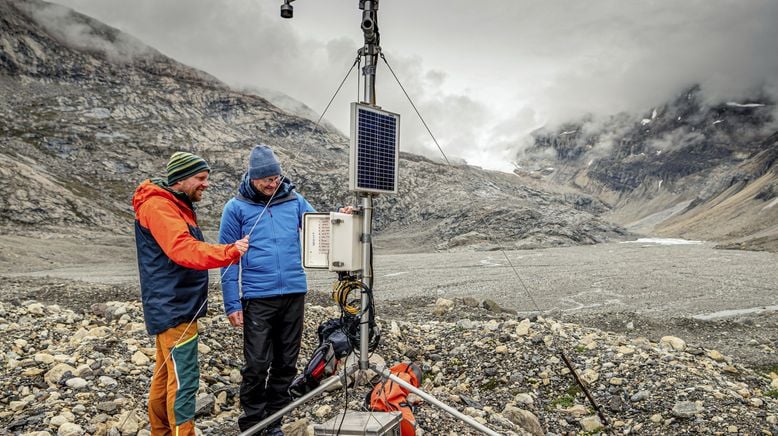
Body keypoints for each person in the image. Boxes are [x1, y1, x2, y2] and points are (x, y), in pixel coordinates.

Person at [133, 151, 249, 435]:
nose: (205, 184)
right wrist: (230, 252)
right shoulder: (160, 206)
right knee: (184, 378)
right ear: (181, 179)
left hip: (174, 305)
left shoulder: (174, 204)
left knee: (165, 374)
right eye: (200, 178)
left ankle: (161, 432)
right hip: (174, 306)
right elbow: (183, 249)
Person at [219, 144, 315, 434]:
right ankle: (252, 424)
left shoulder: (294, 200)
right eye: (266, 179)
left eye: (276, 177)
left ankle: (274, 422)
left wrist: (342, 216)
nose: (273, 183)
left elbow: (321, 226)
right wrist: (232, 303)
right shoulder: (235, 208)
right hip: (258, 297)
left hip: (294, 293)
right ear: (252, 177)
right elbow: (227, 257)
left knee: (286, 363)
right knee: (257, 365)